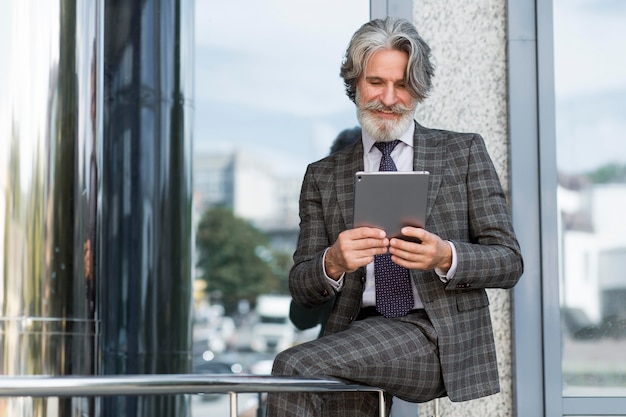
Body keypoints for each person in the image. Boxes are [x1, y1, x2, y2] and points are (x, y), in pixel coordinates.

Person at [266, 16, 524, 417]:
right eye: (376, 82)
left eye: (402, 85)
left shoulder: (463, 153)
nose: (388, 98)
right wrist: (331, 262)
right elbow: (301, 287)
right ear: (354, 84)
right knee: (336, 384)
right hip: (354, 335)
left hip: (434, 334)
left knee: (294, 366)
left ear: (418, 89)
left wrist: (445, 257)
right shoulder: (322, 175)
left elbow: (510, 262)